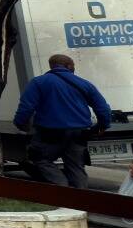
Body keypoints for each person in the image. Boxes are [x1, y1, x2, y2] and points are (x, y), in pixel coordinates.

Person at [14, 53, 114, 187]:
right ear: (69, 66)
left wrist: (20, 123)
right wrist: (102, 126)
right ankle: (81, 200)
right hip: (79, 133)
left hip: (49, 133)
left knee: (41, 159)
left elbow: (26, 107)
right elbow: (102, 108)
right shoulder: (84, 84)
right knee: (76, 167)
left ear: (52, 66)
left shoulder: (39, 82)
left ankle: (62, 187)